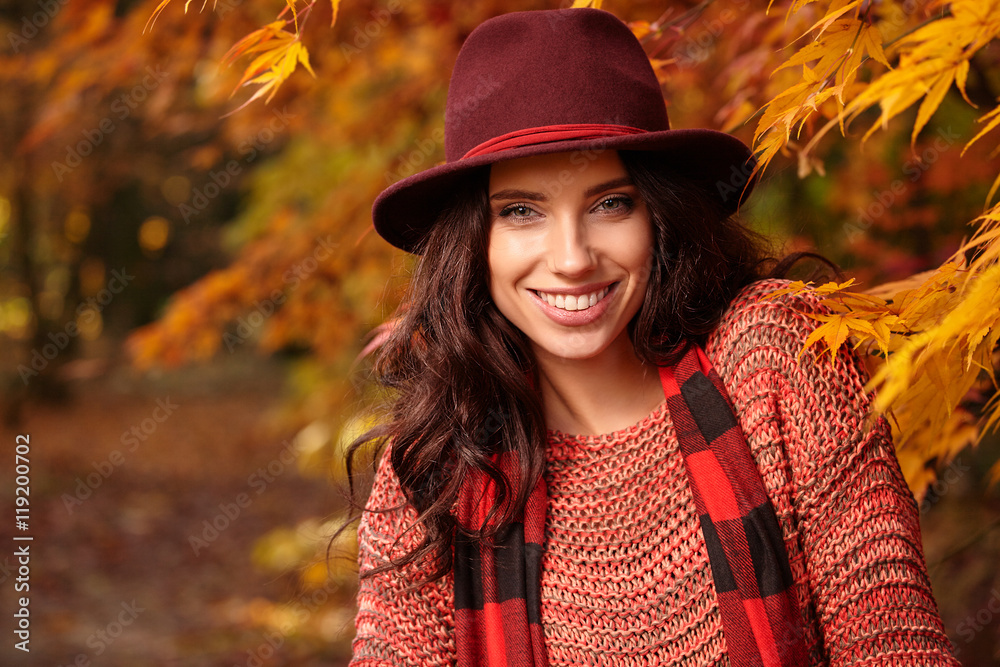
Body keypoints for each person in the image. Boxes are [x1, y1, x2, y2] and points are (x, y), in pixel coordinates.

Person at [347, 7, 959, 666]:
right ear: (474, 242)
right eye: (521, 212)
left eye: (610, 203)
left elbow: (894, 646)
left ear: (659, 214)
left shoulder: (776, 358)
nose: (573, 257)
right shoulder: (437, 459)